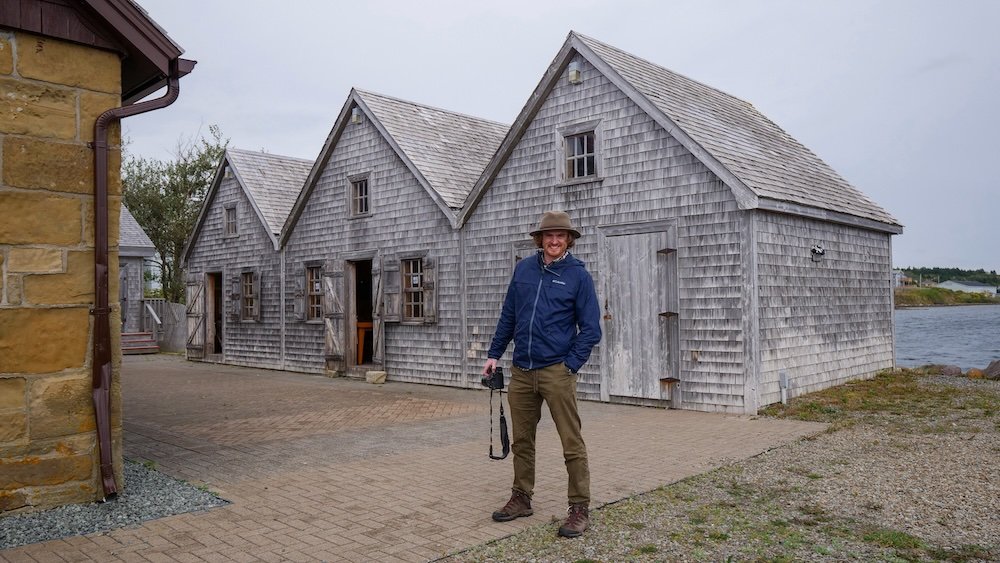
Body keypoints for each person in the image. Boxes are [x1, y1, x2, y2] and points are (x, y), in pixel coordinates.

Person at [483, 210, 602, 538]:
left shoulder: (578, 276)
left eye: (560, 236)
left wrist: (570, 366)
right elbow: (509, 315)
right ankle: (521, 497)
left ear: (568, 240)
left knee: (571, 441)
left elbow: (591, 329)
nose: (553, 240)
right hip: (521, 371)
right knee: (522, 439)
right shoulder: (523, 269)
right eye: (548, 235)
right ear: (540, 239)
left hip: (556, 372)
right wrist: (494, 354)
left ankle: (579, 507)